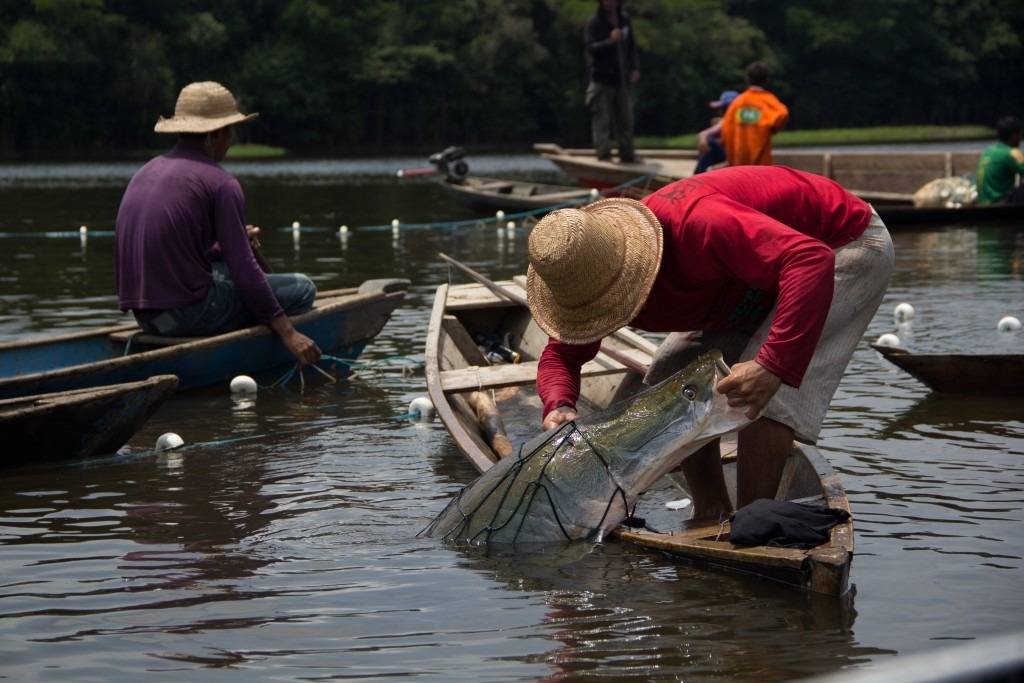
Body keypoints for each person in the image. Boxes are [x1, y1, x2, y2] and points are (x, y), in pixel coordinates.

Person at [527, 166, 894, 520]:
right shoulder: (580, 275)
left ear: (636, 267)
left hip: (841, 243)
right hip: (754, 277)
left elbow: (809, 260)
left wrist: (771, 364)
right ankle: (710, 510)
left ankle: (753, 521)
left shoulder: (697, 224)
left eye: (615, 298)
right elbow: (560, 356)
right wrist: (559, 405)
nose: (609, 310)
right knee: (672, 376)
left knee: (765, 392)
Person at [115, 81, 321, 367]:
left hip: (147, 317)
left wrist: (229, 241)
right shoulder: (221, 183)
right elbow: (245, 271)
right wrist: (288, 333)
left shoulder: (146, 171)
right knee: (302, 288)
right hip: (186, 316)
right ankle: (244, 355)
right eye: (230, 131)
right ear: (214, 135)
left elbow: (180, 246)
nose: (232, 139)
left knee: (226, 267)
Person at [584, 0, 640, 164]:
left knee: (625, 118)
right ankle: (603, 154)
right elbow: (590, 48)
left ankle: (627, 154)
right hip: (601, 79)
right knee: (602, 120)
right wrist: (610, 41)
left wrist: (635, 67)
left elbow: (632, 46)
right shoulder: (594, 22)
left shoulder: (624, 19)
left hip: (621, 79)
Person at [720, 61, 789, 167]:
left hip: (738, 166)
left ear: (747, 79)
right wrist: (772, 129)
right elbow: (783, 113)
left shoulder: (737, 103)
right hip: (761, 166)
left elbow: (725, 131)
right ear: (767, 80)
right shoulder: (768, 100)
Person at [975, 115, 1024, 204]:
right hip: (999, 203)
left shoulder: (988, 151)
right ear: (1014, 135)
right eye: (1020, 135)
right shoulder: (1011, 153)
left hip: (983, 203)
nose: (1021, 138)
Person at [694, 90, 738, 173]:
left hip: (735, 160)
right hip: (727, 158)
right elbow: (703, 134)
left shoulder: (736, 123)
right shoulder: (726, 122)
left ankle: (699, 176)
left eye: (722, 109)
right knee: (709, 147)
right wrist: (703, 140)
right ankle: (700, 175)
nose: (719, 112)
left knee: (710, 144)